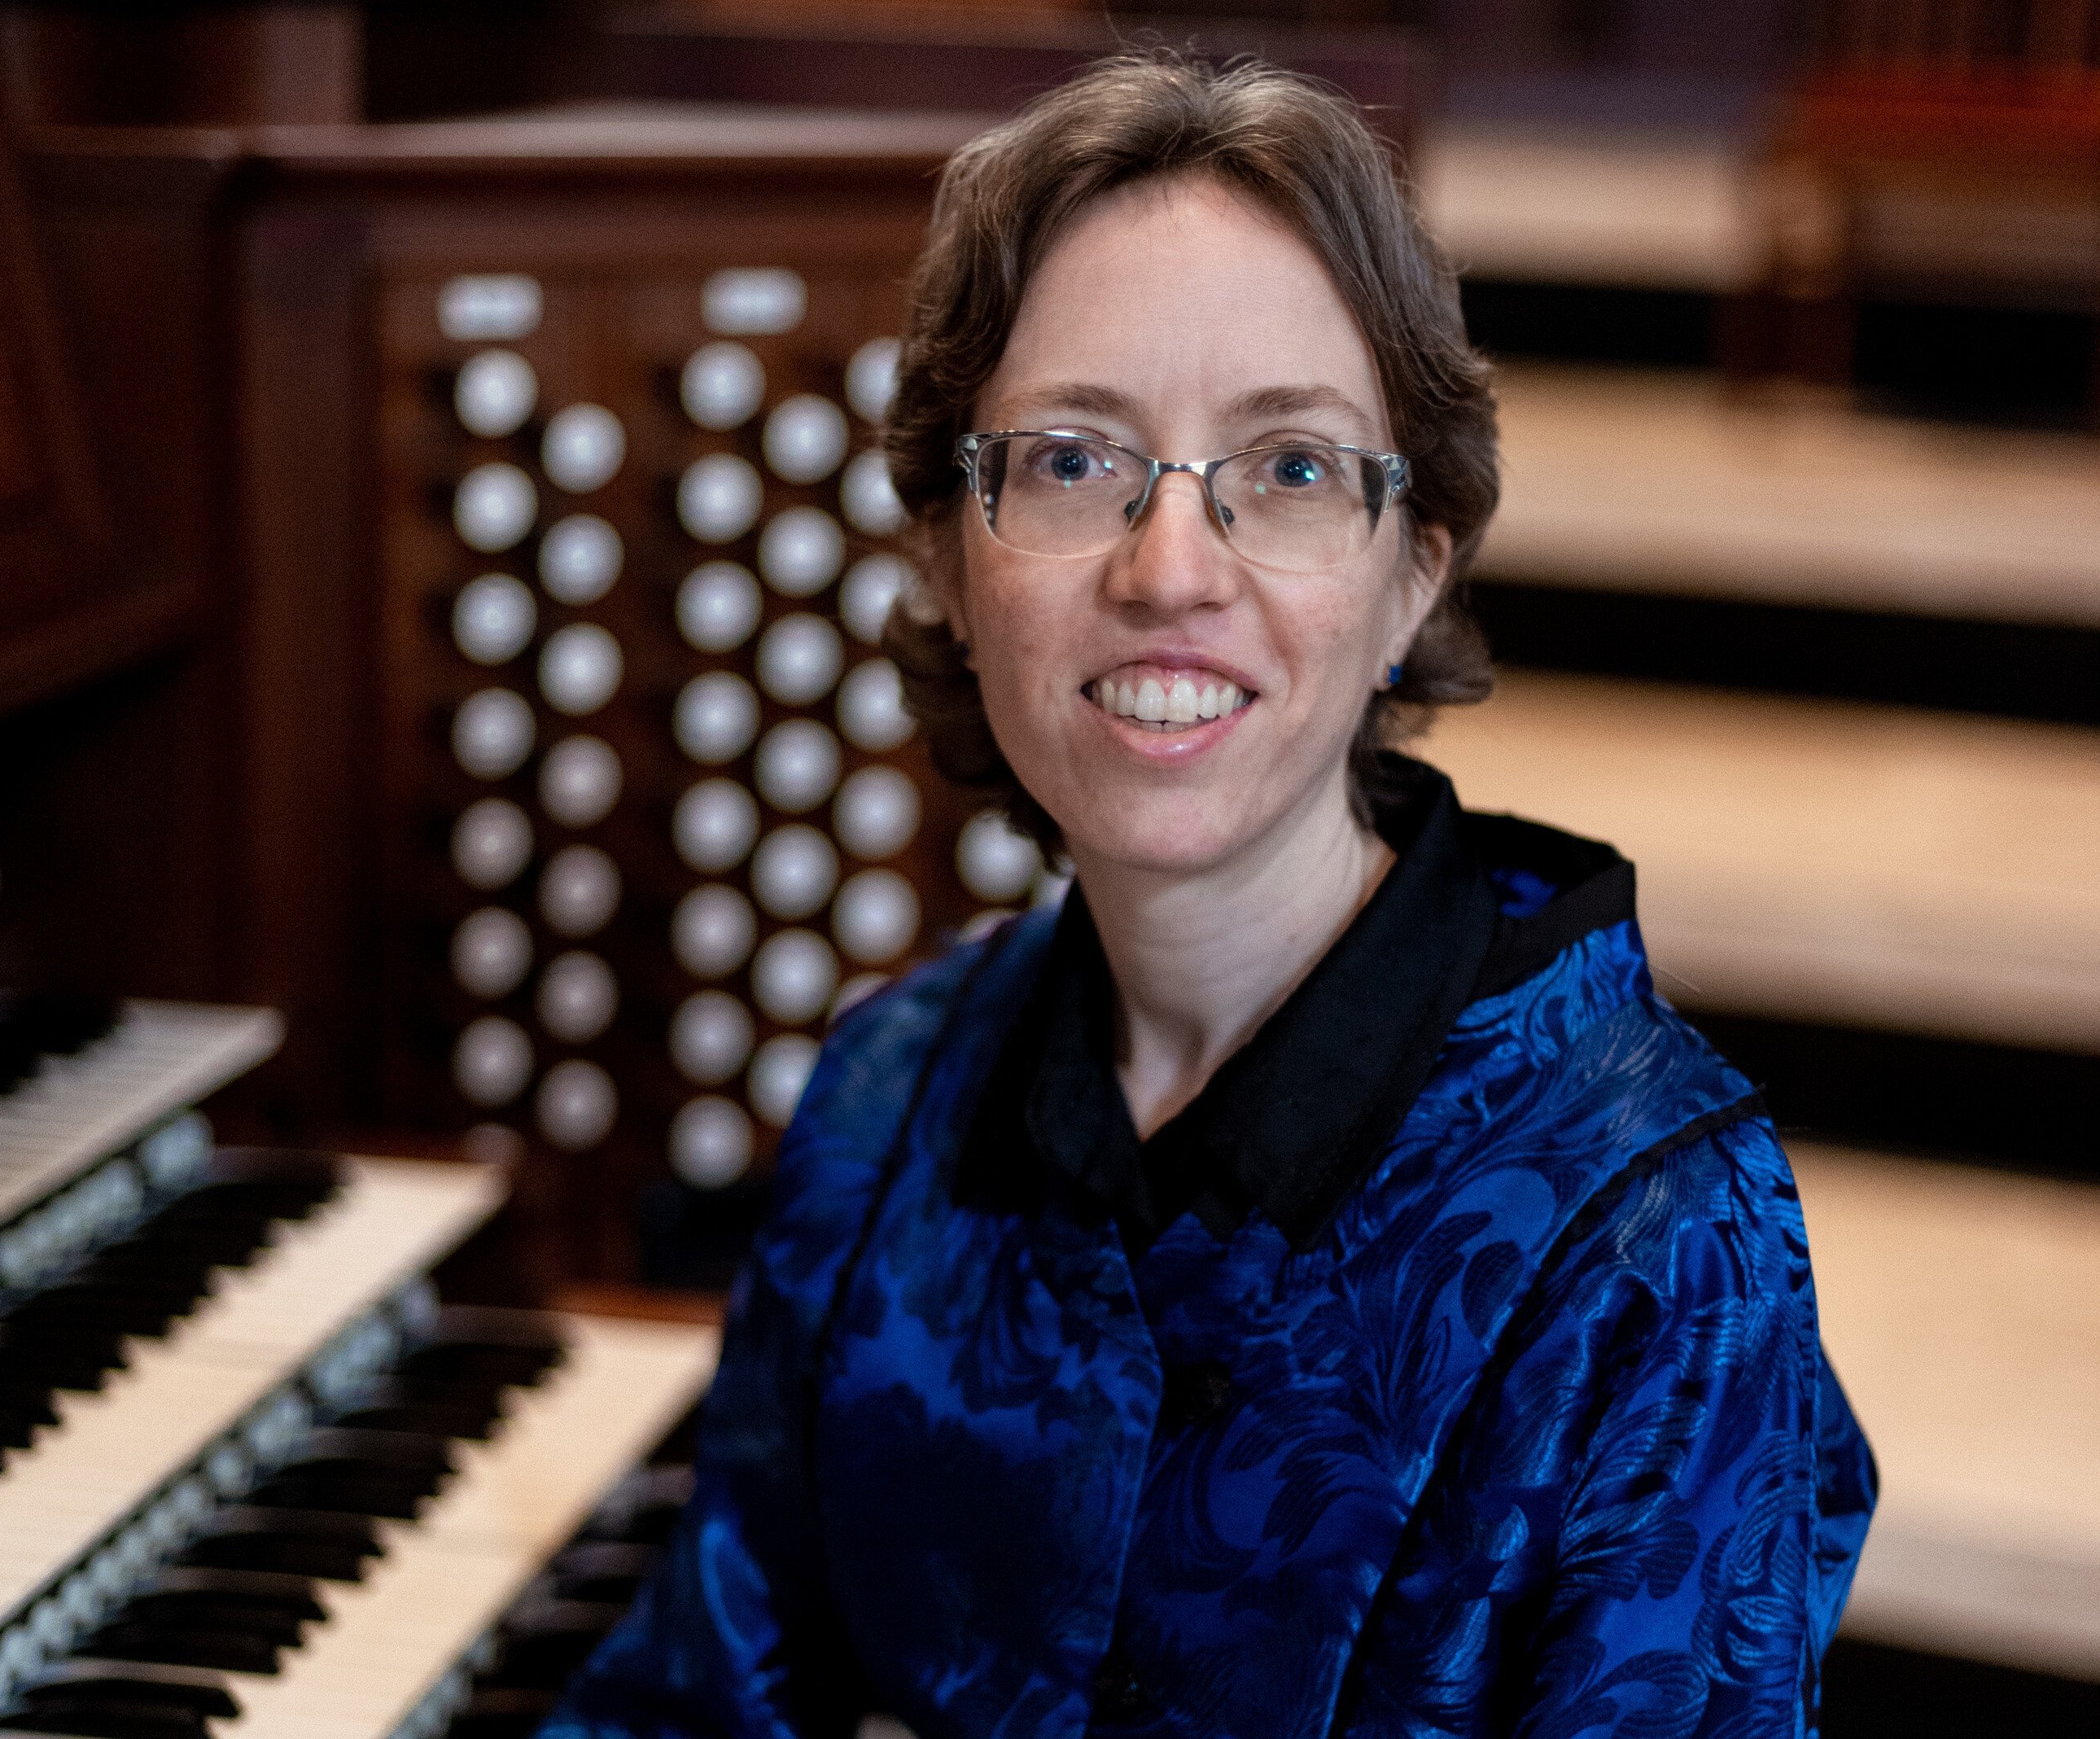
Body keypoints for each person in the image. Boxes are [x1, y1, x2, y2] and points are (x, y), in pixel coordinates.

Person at [545, 50, 1875, 1739]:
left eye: (1292, 470)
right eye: (1076, 461)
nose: (1170, 570)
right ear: (950, 561)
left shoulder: (1661, 1243)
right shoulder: (887, 1096)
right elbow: (697, 1704)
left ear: (1414, 571)